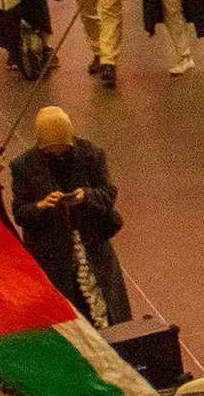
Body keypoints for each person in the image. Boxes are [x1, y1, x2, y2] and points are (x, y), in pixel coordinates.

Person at [8, 106, 129, 326]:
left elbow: (108, 194)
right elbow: (20, 213)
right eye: (51, 151)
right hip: (52, 254)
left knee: (106, 305)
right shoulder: (23, 166)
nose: (57, 154)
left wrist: (87, 196)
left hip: (92, 244)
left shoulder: (91, 154)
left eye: (62, 149)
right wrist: (42, 205)